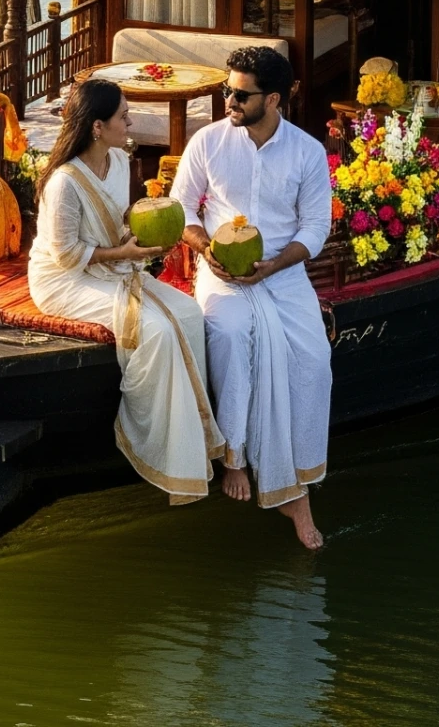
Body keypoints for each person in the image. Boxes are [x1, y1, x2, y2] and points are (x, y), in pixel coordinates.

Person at [28, 75, 226, 504]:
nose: (131, 123)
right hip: (64, 280)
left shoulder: (118, 163)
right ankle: (149, 440)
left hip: (112, 264)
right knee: (154, 330)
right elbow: (65, 256)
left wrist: (138, 240)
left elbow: (118, 222)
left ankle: (196, 440)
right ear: (97, 127)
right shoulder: (63, 183)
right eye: (124, 116)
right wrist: (122, 254)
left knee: (189, 314)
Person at [174, 44, 333, 549]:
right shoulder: (209, 142)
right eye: (227, 90)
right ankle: (235, 458)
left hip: (282, 273)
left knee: (313, 358)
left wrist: (275, 265)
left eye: (241, 95)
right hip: (219, 270)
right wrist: (206, 249)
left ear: (275, 99)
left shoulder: (306, 151)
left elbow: (316, 227)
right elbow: (181, 206)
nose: (229, 101)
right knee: (230, 335)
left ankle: (297, 483)